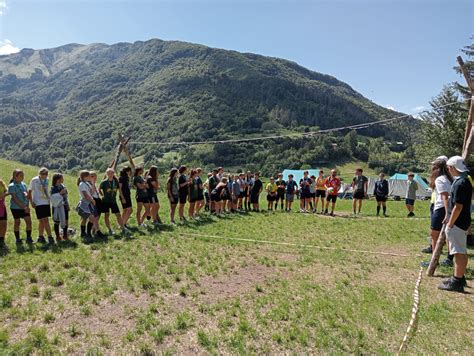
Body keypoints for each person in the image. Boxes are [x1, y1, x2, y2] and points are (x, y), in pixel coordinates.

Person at [438, 156, 471, 293]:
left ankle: (457, 281)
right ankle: (459, 277)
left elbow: (458, 206)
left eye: (449, 168)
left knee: (458, 252)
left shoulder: (459, 184)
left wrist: (450, 224)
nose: (448, 171)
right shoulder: (465, 181)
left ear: (452, 168)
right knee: (460, 250)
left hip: (457, 222)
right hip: (463, 221)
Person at [420, 160, 452, 267]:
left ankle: (434, 260)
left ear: (437, 168)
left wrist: (447, 214)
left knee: (434, 235)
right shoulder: (448, 178)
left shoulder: (440, 179)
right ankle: (448, 258)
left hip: (441, 209)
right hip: (444, 209)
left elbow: (445, 197)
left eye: (433, 166)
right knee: (445, 235)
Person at [29, 167, 54, 244]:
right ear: (39, 173)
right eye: (43, 174)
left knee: (44, 221)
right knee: (43, 220)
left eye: (46, 174)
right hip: (38, 202)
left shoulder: (47, 180)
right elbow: (29, 191)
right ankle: (49, 237)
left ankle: (42, 237)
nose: (45, 175)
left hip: (46, 202)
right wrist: (31, 202)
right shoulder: (34, 180)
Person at [99, 168, 128, 235]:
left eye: (111, 173)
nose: (110, 174)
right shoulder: (103, 182)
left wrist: (123, 198)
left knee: (118, 214)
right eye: (109, 173)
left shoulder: (116, 181)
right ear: (106, 174)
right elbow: (99, 189)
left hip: (113, 201)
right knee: (107, 215)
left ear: (113, 173)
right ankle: (110, 230)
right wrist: (102, 195)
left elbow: (120, 190)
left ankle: (123, 228)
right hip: (105, 201)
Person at [8, 169, 32, 245]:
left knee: (29, 222)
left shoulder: (24, 184)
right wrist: (24, 207)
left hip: (25, 207)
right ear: (15, 176)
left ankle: (28, 238)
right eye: (21, 176)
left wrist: (27, 206)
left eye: (23, 175)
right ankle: (18, 239)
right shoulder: (11, 186)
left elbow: (27, 197)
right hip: (16, 208)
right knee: (17, 222)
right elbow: (15, 199)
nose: (23, 177)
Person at [76, 170, 99, 243]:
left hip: (90, 202)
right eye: (89, 176)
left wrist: (92, 184)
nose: (90, 177)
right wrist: (92, 200)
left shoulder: (87, 183)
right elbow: (85, 195)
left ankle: (88, 233)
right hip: (86, 203)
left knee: (91, 218)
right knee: (85, 218)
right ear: (85, 177)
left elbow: (91, 192)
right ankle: (83, 233)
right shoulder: (82, 184)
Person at [50, 173, 70, 241]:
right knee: (57, 221)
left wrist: (67, 205)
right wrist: (60, 193)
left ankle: (65, 235)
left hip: (64, 206)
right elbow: (53, 198)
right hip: (57, 207)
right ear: (58, 179)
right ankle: (57, 236)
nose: (63, 179)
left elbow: (65, 196)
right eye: (62, 178)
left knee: (66, 221)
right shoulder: (53, 188)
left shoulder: (63, 186)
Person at [89, 171, 106, 238]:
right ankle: (94, 231)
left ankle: (94, 230)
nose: (95, 178)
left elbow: (96, 192)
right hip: (93, 200)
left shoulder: (94, 183)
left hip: (98, 200)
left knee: (98, 216)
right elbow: (91, 192)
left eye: (95, 176)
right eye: (93, 176)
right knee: (94, 217)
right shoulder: (89, 184)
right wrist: (93, 183)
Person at [0, 178, 8, 248]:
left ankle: (2, 240)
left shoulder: (1, 183)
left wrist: (4, 194)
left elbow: (6, 191)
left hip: (1, 206)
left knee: (4, 224)